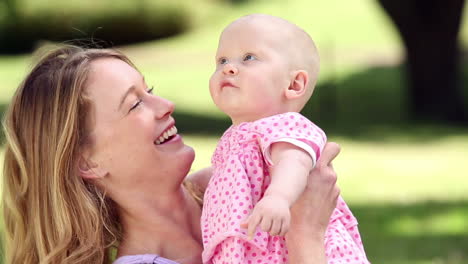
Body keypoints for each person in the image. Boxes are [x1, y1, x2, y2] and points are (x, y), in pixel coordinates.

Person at [2, 44, 344, 264]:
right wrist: (307, 236)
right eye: (135, 103)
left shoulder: (239, 186)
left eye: (148, 90)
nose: (166, 105)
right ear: (86, 162)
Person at [202, 14, 369, 264]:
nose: (229, 67)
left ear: (293, 84)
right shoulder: (238, 137)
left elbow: (295, 163)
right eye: (222, 60)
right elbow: (227, 172)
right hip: (253, 244)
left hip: (284, 248)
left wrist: (278, 198)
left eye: (249, 58)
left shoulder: (286, 126)